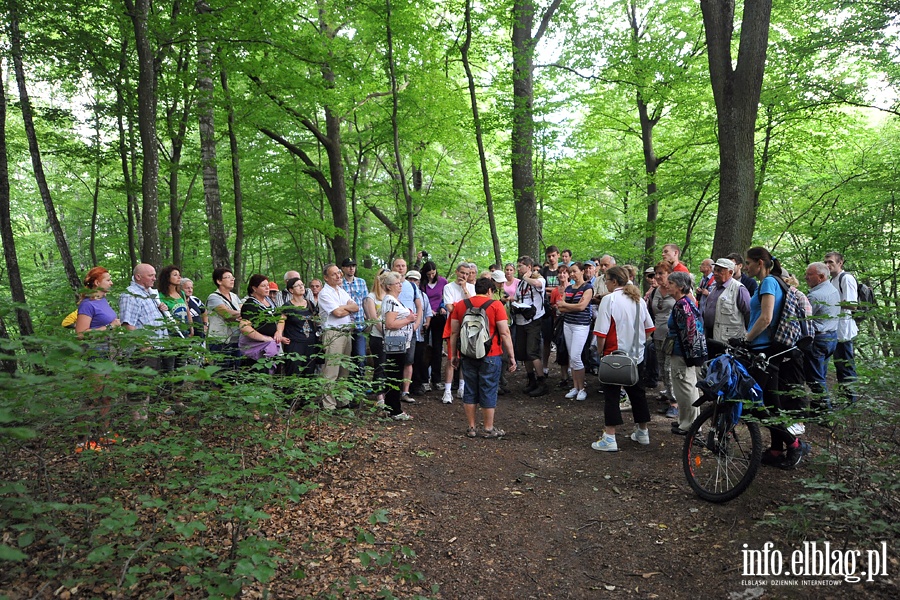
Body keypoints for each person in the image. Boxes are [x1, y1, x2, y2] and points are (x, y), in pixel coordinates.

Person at [744, 246, 808, 469]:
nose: (745, 267)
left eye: (748, 263)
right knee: (771, 402)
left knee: (758, 405)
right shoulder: (772, 282)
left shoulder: (770, 282)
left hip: (765, 351)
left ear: (760, 262)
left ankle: (794, 444)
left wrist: (746, 339)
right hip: (767, 350)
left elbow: (766, 318)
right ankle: (775, 449)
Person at [591, 266, 654, 452]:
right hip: (636, 356)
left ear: (614, 282)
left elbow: (601, 333)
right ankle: (643, 432)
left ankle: (609, 436)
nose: (606, 284)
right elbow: (649, 329)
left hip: (614, 356)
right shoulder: (638, 300)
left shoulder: (609, 300)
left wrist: (601, 353)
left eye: (607, 280)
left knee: (611, 395)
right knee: (637, 392)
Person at [448, 277, 517, 438]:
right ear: (489, 291)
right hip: (491, 354)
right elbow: (505, 333)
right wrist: (512, 356)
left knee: (470, 389)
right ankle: (488, 428)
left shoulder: (461, 305)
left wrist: (453, 354)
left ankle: (471, 428)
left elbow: (454, 333)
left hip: (466, 353)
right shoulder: (496, 305)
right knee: (489, 388)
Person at [74, 267, 122, 451]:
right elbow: (81, 335)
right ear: (96, 282)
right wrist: (109, 328)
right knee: (93, 398)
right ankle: (82, 441)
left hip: (109, 354)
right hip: (95, 356)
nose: (111, 282)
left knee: (107, 397)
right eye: (108, 280)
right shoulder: (87, 304)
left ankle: (105, 434)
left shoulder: (103, 301)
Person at [665, 271, 707, 435]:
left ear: (681, 287)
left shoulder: (683, 305)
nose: (668, 286)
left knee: (686, 387)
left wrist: (690, 356)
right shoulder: (684, 303)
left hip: (682, 354)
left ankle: (691, 425)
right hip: (683, 353)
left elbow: (690, 332)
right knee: (684, 388)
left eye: (671, 284)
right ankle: (685, 421)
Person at [318, 263, 359, 410]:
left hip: (347, 333)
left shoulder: (341, 291)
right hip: (333, 333)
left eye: (339, 273)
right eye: (334, 274)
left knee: (344, 370)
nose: (338, 276)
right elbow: (337, 313)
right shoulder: (324, 293)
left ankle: (342, 401)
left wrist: (343, 308)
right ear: (326, 277)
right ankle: (329, 405)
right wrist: (346, 308)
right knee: (331, 370)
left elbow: (356, 307)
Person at [379, 271, 416, 420]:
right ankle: (395, 410)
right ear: (389, 286)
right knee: (394, 376)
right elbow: (390, 324)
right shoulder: (390, 301)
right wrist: (408, 319)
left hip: (400, 343)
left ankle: (391, 408)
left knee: (395, 375)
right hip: (395, 342)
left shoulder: (395, 300)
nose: (400, 285)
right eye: (397, 283)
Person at [804, 262, 840, 412]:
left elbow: (803, 319)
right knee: (821, 374)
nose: (805, 277)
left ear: (821, 277)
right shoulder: (832, 289)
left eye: (809, 275)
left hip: (819, 339)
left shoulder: (815, 296)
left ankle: (826, 412)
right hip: (831, 337)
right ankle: (819, 407)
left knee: (815, 378)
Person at [824, 251, 858, 404]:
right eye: (826, 262)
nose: (827, 265)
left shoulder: (846, 278)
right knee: (840, 366)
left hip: (844, 330)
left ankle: (850, 401)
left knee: (846, 366)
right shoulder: (832, 281)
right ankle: (845, 399)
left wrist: (832, 303)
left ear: (840, 263)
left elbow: (853, 304)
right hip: (834, 330)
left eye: (831, 262)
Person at [557, 262, 594, 401]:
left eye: (574, 271)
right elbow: (561, 308)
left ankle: (582, 388)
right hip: (568, 324)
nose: (572, 274)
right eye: (570, 272)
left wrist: (566, 305)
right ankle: (575, 386)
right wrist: (569, 306)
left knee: (576, 356)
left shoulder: (588, 288)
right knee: (572, 357)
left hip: (581, 326)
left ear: (582, 272)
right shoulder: (569, 288)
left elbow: (581, 307)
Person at [441, 263, 475, 404]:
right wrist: (462, 307)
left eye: (467, 274)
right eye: (462, 273)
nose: (464, 276)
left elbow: (473, 306)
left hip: (468, 326)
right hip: (453, 326)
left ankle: (462, 387)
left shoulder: (471, 288)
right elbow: (449, 307)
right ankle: (447, 391)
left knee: (464, 358)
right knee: (451, 358)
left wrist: (464, 289)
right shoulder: (448, 287)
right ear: (456, 272)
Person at [514, 256, 548, 396]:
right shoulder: (521, 284)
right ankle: (531, 380)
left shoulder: (539, 279)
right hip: (521, 320)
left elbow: (538, 285)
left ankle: (542, 382)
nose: (518, 269)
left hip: (534, 321)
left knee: (532, 352)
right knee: (523, 353)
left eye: (521, 266)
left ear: (528, 267)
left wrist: (527, 277)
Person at [647, 261, 676, 416]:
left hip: (672, 337)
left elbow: (691, 306)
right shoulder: (655, 291)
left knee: (669, 368)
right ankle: (669, 398)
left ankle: (675, 403)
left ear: (669, 274)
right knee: (662, 371)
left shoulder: (678, 289)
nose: (657, 277)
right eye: (656, 273)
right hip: (658, 334)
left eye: (661, 273)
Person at [238, 274, 283, 368]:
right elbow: (244, 327)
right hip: (258, 347)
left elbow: (280, 318)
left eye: (267, 285)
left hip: (272, 344)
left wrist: (279, 332)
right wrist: (264, 338)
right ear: (254, 288)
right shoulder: (250, 305)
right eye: (263, 286)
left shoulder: (270, 301)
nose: (267, 288)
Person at [702, 258, 751, 344]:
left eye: (720, 271)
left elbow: (749, 313)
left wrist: (746, 336)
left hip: (728, 339)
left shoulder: (739, 289)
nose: (715, 273)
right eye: (715, 270)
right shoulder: (715, 288)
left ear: (730, 272)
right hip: (710, 335)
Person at [276, 277, 318, 378]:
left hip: (311, 343)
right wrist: (279, 333)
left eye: (302, 285)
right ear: (291, 290)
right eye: (297, 285)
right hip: (295, 344)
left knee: (309, 372)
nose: (301, 287)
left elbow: (317, 319)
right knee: (293, 372)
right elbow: (282, 320)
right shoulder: (287, 306)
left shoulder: (310, 304)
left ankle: (307, 393)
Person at [206, 267, 243, 371]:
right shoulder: (213, 297)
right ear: (219, 281)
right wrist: (242, 314)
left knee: (234, 371)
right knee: (221, 373)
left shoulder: (234, 296)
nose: (232, 280)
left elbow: (243, 309)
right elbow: (226, 313)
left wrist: (242, 313)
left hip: (236, 339)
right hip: (220, 340)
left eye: (233, 277)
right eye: (228, 277)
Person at [340, 257, 370, 383]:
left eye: (353, 266)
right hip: (345, 327)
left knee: (361, 357)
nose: (351, 268)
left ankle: (360, 384)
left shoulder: (361, 282)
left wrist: (369, 319)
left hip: (359, 326)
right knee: (346, 358)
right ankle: (346, 385)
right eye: (348, 266)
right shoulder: (339, 284)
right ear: (343, 268)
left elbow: (366, 301)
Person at [420, 261, 448, 393]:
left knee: (437, 348)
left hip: (438, 317)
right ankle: (424, 379)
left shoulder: (443, 282)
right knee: (425, 349)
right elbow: (420, 299)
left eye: (433, 273)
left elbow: (445, 297)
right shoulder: (422, 284)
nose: (431, 276)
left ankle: (437, 379)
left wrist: (442, 307)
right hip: (426, 317)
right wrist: (428, 311)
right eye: (428, 274)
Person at [364, 268, 390, 406]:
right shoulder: (371, 297)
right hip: (378, 336)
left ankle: (389, 393)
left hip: (393, 336)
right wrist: (385, 332)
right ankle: (380, 396)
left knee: (390, 365)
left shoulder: (391, 296)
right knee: (380, 364)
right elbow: (373, 318)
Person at [540, 246, 561, 373]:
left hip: (560, 308)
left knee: (561, 339)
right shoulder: (544, 271)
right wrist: (554, 289)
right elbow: (541, 288)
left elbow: (565, 287)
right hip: (547, 309)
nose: (551, 258)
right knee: (546, 340)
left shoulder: (563, 270)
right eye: (549, 256)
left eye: (553, 255)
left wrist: (550, 289)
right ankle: (545, 367)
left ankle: (566, 367)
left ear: (558, 255)